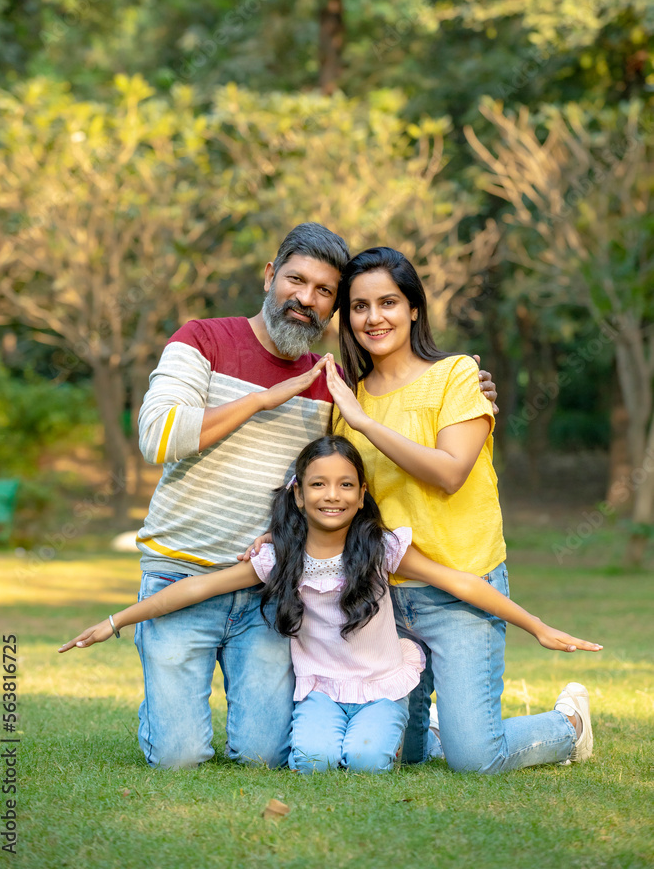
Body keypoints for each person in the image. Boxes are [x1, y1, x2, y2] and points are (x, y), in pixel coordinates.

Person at [132, 223, 498, 770]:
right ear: (269, 276)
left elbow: (338, 476)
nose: (306, 299)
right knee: (178, 757)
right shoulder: (202, 339)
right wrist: (262, 400)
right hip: (181, 572)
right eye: (296, 280)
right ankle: (164, 718)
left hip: (269, 590)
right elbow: (157, 437)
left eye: (325, 291)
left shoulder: (333, 385)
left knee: (263, 756)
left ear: (333, 308)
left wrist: (472, 392)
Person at [59, 436, 602, 775]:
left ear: (362, 495)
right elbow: (197, 588)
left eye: (346, 485)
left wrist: (536, 626)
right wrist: (115, 620)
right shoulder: (279, 558)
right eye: (318, 484)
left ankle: (563, 725)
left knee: (367, 762)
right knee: (312, 762)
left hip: (381, 684)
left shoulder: (381, 549)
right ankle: (428, 733)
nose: (332, 495)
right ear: (297, 494)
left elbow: (462, 584)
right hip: (318, 689)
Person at [326, 246, 598, 772]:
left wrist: (364, 423)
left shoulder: (455, 376)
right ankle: (438, 725)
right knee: (401, 757)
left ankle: (568, 724)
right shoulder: (349, 399)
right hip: (385, 601)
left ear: (414, 309)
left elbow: (450, 472)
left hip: (462, 590)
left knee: (476, 758)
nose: (373, 317)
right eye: (359, 306)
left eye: (388, 302)